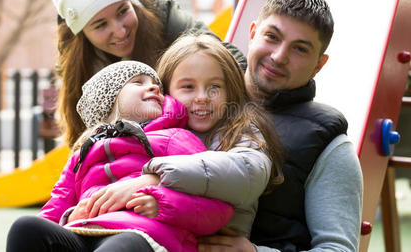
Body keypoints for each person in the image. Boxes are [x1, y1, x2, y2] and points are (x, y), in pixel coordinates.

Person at [197, 0, 364, 251]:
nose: (279, 56)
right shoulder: (195, 97)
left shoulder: (330, 146)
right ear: (252, 34)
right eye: (272, 37)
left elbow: (338, 249)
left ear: (319, 65)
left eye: (300, 49)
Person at [6, 61, 234, 252]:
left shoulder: (174, 137)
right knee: (25, 228)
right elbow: (55, 207)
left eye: (156, 84)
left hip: (143, 235)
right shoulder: (83, 154)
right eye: (138, 82)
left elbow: (217, 204)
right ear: (111, 99)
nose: (154, 87)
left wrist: (162, 204)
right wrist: (70, 215)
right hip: (85, 232)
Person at [78, 33, 285, 240]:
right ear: (165, 91)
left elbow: (247, 172)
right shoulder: (151, 133)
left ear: (231, 90)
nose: (202, 97)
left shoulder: (241, 132)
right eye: (188, 87)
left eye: (215, 87)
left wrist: (155, 178)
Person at [47, 0, 246, 147]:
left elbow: (229, 60)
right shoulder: (78, 63)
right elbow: (79, 137)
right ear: (82, 34)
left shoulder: (161, 15)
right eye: (100, 25)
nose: (120, 31)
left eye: (123, 11)